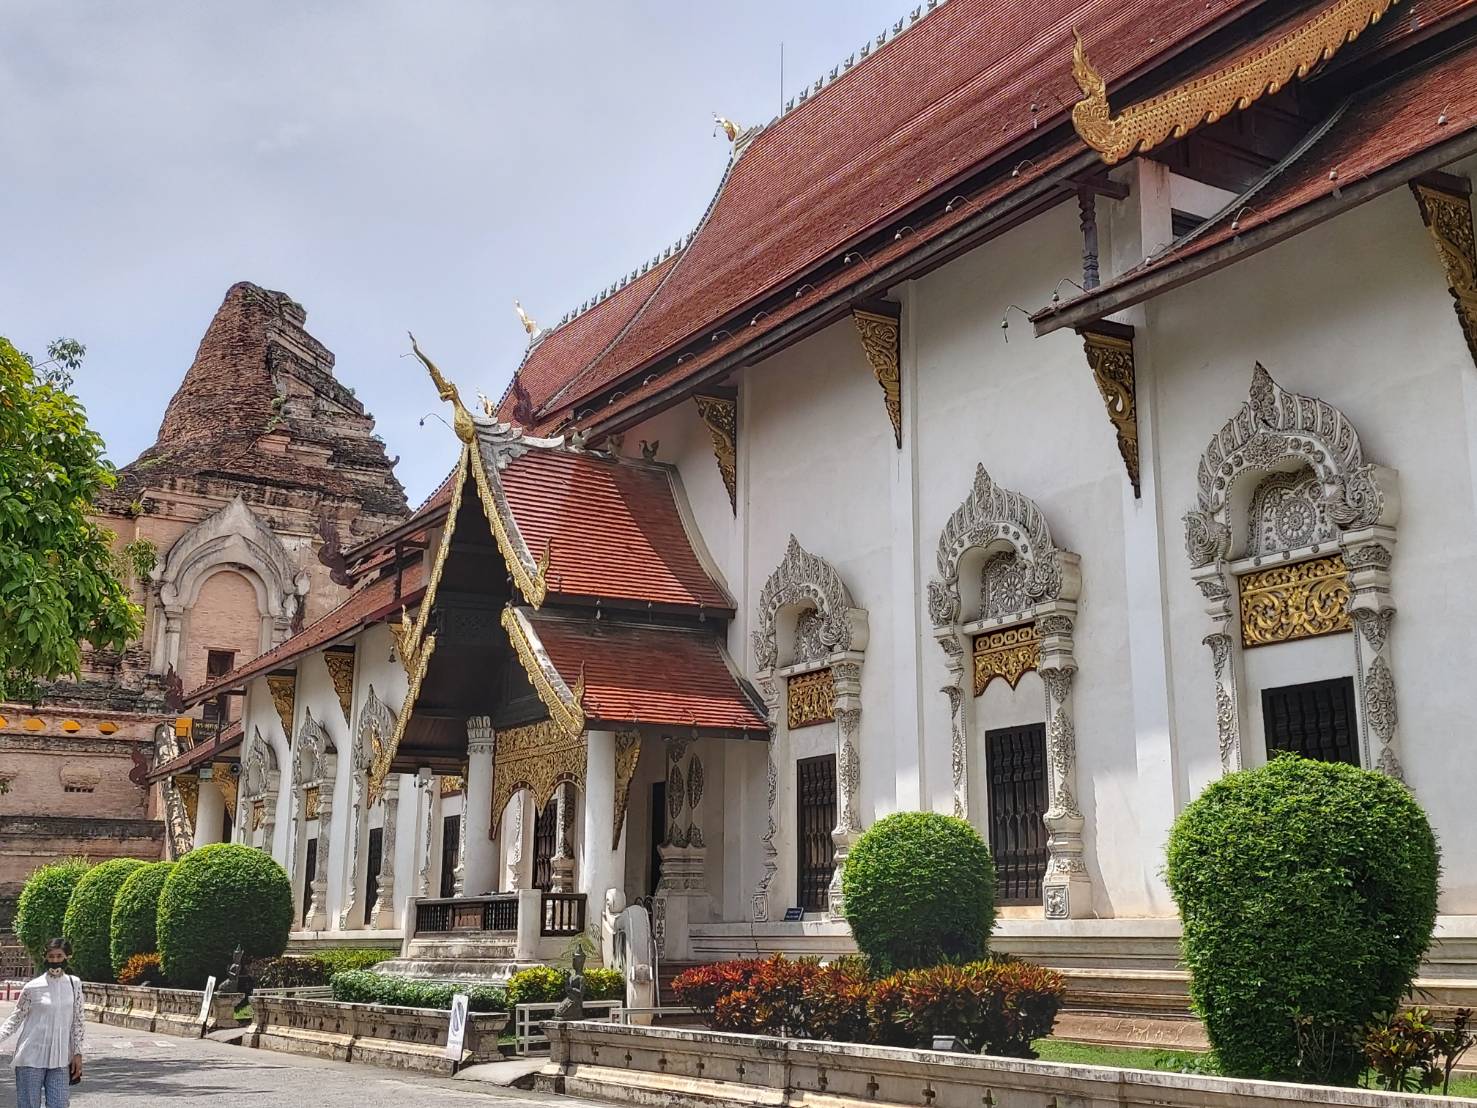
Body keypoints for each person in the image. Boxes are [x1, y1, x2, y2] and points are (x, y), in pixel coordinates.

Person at [0, 938, 85, 1107]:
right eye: (51, 956)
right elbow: (15, 1019)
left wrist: (77, 1053)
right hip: (31, 1058)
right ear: (45, 957)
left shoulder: (74, 984)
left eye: (59, 956)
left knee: (60, 1104)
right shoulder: (33, 987)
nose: (54, 960)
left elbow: (78, 1020)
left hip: (60, 1060)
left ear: (67, 957)